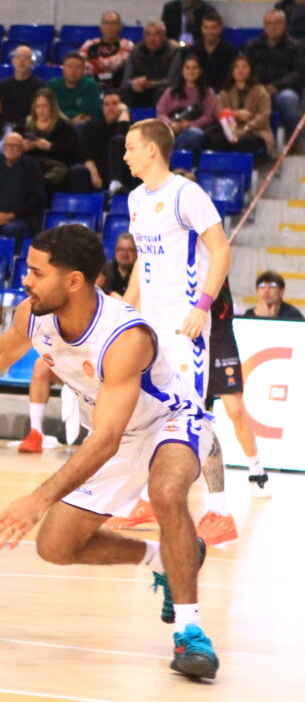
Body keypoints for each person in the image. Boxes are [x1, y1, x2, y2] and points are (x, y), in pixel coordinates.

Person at [0, 224, 221, 681]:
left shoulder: (124, 336)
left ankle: (190, 632)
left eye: (36, 272)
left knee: (166, 493)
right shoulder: (34, 313)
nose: (25, 280)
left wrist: (38, 498)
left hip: (168, 420)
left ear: (74, 281)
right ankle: (165, 558)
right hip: (116, 434)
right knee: (56, 546)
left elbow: (103, 440)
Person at [122, 119, 233, 548]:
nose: (126, 154)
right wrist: (129, 311)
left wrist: (201, 307)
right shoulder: (134, 199)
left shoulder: (188, 194)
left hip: (184, 328)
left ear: (153, 150)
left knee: (193, 416)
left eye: (131, 147)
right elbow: (141, 263)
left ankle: (220, 511)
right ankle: (152, 497)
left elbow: (221, 250)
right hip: (150, 326)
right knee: (150, 413)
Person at [203, 280, 272, 504]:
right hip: (186, 333)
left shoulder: (215, 251)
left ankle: (257, 471)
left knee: (235, 410)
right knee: (196, 412)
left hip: (219, 333)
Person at [244, 10, 303, 148]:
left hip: (282, 91)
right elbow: (244, 68)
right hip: (256, 91)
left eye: (276, 23)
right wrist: (258, 88)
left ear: (284, 24)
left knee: (288, 99)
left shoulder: (295, 46)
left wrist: (276, 86)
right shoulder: (253, 46)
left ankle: (294, 144)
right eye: (268, 23)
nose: (272, 27)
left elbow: (300, 73)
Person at [205, 55, 274, 158]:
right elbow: (219, 112)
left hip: (255, 131)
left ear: (250, 70)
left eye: (244, 67)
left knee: (244, 141)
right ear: (232, 71)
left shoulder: (260, 91)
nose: (240, 70)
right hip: (231, 130)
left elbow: (263, 117)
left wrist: (246, 128)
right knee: (214, 138)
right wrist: (235, 114)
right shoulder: (226, 92)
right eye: (236, 67)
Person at [0, 132, 44, 238]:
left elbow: (35, 198)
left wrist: (12, 215)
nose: (11, 148)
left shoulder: (31, 167)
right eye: (8, 145)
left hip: (21, 217)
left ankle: (16, 254)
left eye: (15, 145)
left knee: (11, 229)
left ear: (22, 148)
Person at [69, 90, 131, 194]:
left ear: (122, 106)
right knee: (77, 170)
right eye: (106, 104)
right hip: (98, 172)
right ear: (102, 109)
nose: (110, 107)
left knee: (118, 139)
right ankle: (78, 207)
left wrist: (125, 114)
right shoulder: (91, 127)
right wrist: (94, 173)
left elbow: (124, 140)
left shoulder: (132, 127)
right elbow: (85, 153)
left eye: (115, 104)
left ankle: (115, 185)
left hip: (123, 173)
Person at [22, 88, 79, 193]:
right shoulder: (26, 124)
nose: (41, 110)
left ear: (52, 107)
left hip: (55, 165)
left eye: (44, 106)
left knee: (49, 179)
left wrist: (50, 147)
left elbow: (71, 152)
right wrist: (23, 147)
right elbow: (12, 143)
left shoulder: (63, 125)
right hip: (30, 163)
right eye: (38, 106)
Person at [155, 54, 216, 151]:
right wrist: (171, 124)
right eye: (187, 67)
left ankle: (177, 163)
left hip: (195, 129)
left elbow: (208, 117)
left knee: (191, 136)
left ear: (200, 71)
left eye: (194, 68)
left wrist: (189, 124)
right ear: (182, 70)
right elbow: (161, 112)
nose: (190, 71)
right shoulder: (171, 91)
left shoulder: (208, 93)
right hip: (172, 127)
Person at [120, 20, 181, 109]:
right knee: (123, 91)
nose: (152, 39)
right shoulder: (135, 51)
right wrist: (134, 83)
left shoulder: (174, 52)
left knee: (164, 92)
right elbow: (125, 80)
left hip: (160, 90)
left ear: (164, 36)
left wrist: (150, 84)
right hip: (139, 90)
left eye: (157, 34)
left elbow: (172, 80)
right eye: (148, 35)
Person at [80, 10, 135, 90]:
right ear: (101, 27)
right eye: (106, 23)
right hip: (92, 87)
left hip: (119, 88)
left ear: (120, 27)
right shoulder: (89, 45)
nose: (110, 27)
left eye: (114, 23)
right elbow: (81, 68)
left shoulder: (128, 46)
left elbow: (127, 72)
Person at [0, 45, 44, 129]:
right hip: (5, 128)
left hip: (30, 128)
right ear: (13, 61)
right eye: (18, 57)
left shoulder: (40, 86)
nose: (21, 61)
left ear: (32, 62)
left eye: (26, 58)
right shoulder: (2, 86)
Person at [191, 10, 237, 96]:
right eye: (206, 28)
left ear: (220, 28)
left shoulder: (230, 52)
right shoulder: (193, 51)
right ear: (201, 28)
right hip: (196, 94)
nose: (210, 32)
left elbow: (232, 79)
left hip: (223, 95)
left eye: (213, 28)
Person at [52, 52, 101, 126]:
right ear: (63, 69)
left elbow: (91, 113)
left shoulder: (90, 85)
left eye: (78, 67)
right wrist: (68, 120)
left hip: (82, 125)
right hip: (58, 123)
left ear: (84, 69)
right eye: (69, 66)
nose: (73, 71)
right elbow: (50, 110)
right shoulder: (53, 85)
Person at [96, 232, 136, 296]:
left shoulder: (141, 273)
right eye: (121, 250)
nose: (125, 254)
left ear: (136, 253)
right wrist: (98, 287)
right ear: (116, 251)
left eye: (130, 250)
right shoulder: (105, 270)